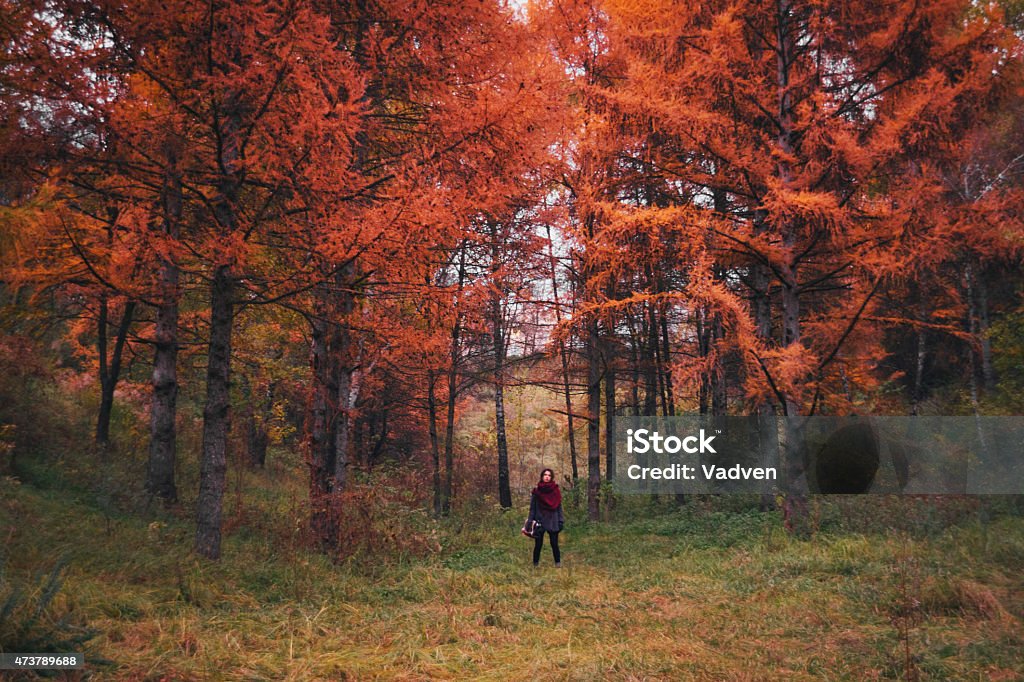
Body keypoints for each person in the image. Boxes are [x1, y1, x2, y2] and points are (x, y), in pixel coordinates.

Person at [528, 468, 564, 567]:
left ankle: (558, 563)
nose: (547, 477)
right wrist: (530, 522)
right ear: (542, 476)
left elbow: (559, 507)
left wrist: (561, 520)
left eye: (549, 475)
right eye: (545, 475)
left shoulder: (555, 491)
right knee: (538, 544)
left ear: (551, 477)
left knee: (554, 543)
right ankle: (535, 564)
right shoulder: (537, 492)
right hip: (540, 520)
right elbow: (532, 508)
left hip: (553, 520)